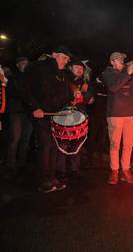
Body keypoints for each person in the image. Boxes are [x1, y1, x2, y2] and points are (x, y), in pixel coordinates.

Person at [24, 46, 75, 193]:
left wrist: (70, 102)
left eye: (68, 59)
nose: (67, 61)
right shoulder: (38, 67)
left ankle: (51, 177)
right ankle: (44, 179)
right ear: (54, 55)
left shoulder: (63, 74)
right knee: (45, 145)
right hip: (42, 113)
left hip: (57, 116)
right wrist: (34, 107)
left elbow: (66, 94)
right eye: (64, 57)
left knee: (54, 146)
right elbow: (25, 88)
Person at [102, 52, 133, 185]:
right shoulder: (108, 73)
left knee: (128, 144)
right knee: (115, 144)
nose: (121, 61)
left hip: (130, 114)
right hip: (115, 114)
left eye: (122, 59)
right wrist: (127, 73)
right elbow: (114, 87)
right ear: (112, 62)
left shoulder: (129, 73)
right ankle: (114, 171)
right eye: (118, 59)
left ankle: (126, 170)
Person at [56, 58, 94, 179]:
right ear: (70, 68)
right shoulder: (63, 80)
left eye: (81, 68)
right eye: (77, 67)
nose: (79, 70)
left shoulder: (85, 83)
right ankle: (61, 170)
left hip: (80, 116)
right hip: (65, 116)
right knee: (63, 143)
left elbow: (91, 98)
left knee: (77, 143)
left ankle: (74, 168)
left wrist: (83, 95)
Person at [5, 57, 33, 178]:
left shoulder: (32, 78)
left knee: (25, 140)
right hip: (16, 112)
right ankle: (10, 165)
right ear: (17, 65)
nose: (24, 65)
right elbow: (14, 93)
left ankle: (22, 164)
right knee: (15, 139)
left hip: (28, 113)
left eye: (26, 63)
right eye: (22, 64)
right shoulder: (12, 78)